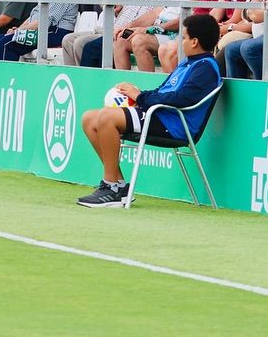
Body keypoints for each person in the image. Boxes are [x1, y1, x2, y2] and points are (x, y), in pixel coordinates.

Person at [76, 12, 222, 208]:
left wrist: (141, 97)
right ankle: (118, 186)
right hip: (159, 115)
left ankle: (110, 187)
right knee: (89, 118)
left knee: (106, 117)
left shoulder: (205, 67)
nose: (181, 41)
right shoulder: (188, 63)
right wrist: (138, 96)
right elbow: (163, 91)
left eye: (184, 37)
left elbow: (181, 99)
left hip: (173, 124)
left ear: (195, 42)